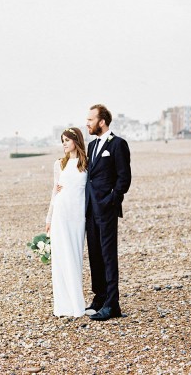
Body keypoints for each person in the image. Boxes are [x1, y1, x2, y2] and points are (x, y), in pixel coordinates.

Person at [85, 104, 132, 321]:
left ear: (102, 121)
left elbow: (124, 178)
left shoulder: (118, 144)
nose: (87, 123)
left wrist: (113, 200)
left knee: (108, 256)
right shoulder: (92, 145)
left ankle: (112, 304)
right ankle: (100, 296)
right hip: (90, 210)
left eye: (90, 120)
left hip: (107, 209)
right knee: (94, 254)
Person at [45, 127, 88, 317]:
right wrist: (49, 218)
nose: (64, 143)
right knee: (61, 258)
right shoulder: (59, 164)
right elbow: (54, 193)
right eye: (62, 140)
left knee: (75, 256)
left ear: (76, 141)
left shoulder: (86, 163)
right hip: (60, 215)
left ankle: (77, 304)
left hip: (77, 216)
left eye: (67, 140)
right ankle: (63, 306)